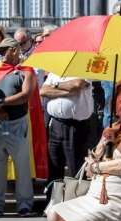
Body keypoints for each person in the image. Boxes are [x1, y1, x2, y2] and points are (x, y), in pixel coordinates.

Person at [46, 77, 121, 221]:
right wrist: (104, 142)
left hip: (119, 200)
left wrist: (97, 167)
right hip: (95, 195)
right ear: (115, 106)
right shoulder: (113, 128)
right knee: (54, 214)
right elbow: (91, 162)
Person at [0, 38, 36, 217]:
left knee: (22, 166)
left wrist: (0, 103)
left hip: (17, 123)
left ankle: (25, 205)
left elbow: (25, 95)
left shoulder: (26, 71)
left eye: (3, 50)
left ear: (13, 50)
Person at [40, 73, 93, 203]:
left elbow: (77, 84)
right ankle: (52, 204)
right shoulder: (55, 72)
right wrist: (67, 91)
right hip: (56, 124)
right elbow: (43, 91)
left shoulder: (84, 69)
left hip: (75, 126)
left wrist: (56, 86)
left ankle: (77, 205)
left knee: (76, 168)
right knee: (54, 168)